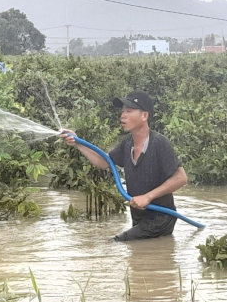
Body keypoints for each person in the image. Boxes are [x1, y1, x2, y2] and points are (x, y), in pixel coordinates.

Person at [60, 90, 187, 241]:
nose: (123, 116)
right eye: (122, 111)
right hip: (139, 217)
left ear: (144, 116)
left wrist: (148, 197)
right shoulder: (127, 143)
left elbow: (181, 178)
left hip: (161, 217)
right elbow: (104, 162)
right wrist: (78, 143)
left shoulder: (159, 143)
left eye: (129, 111)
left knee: (117, 242)